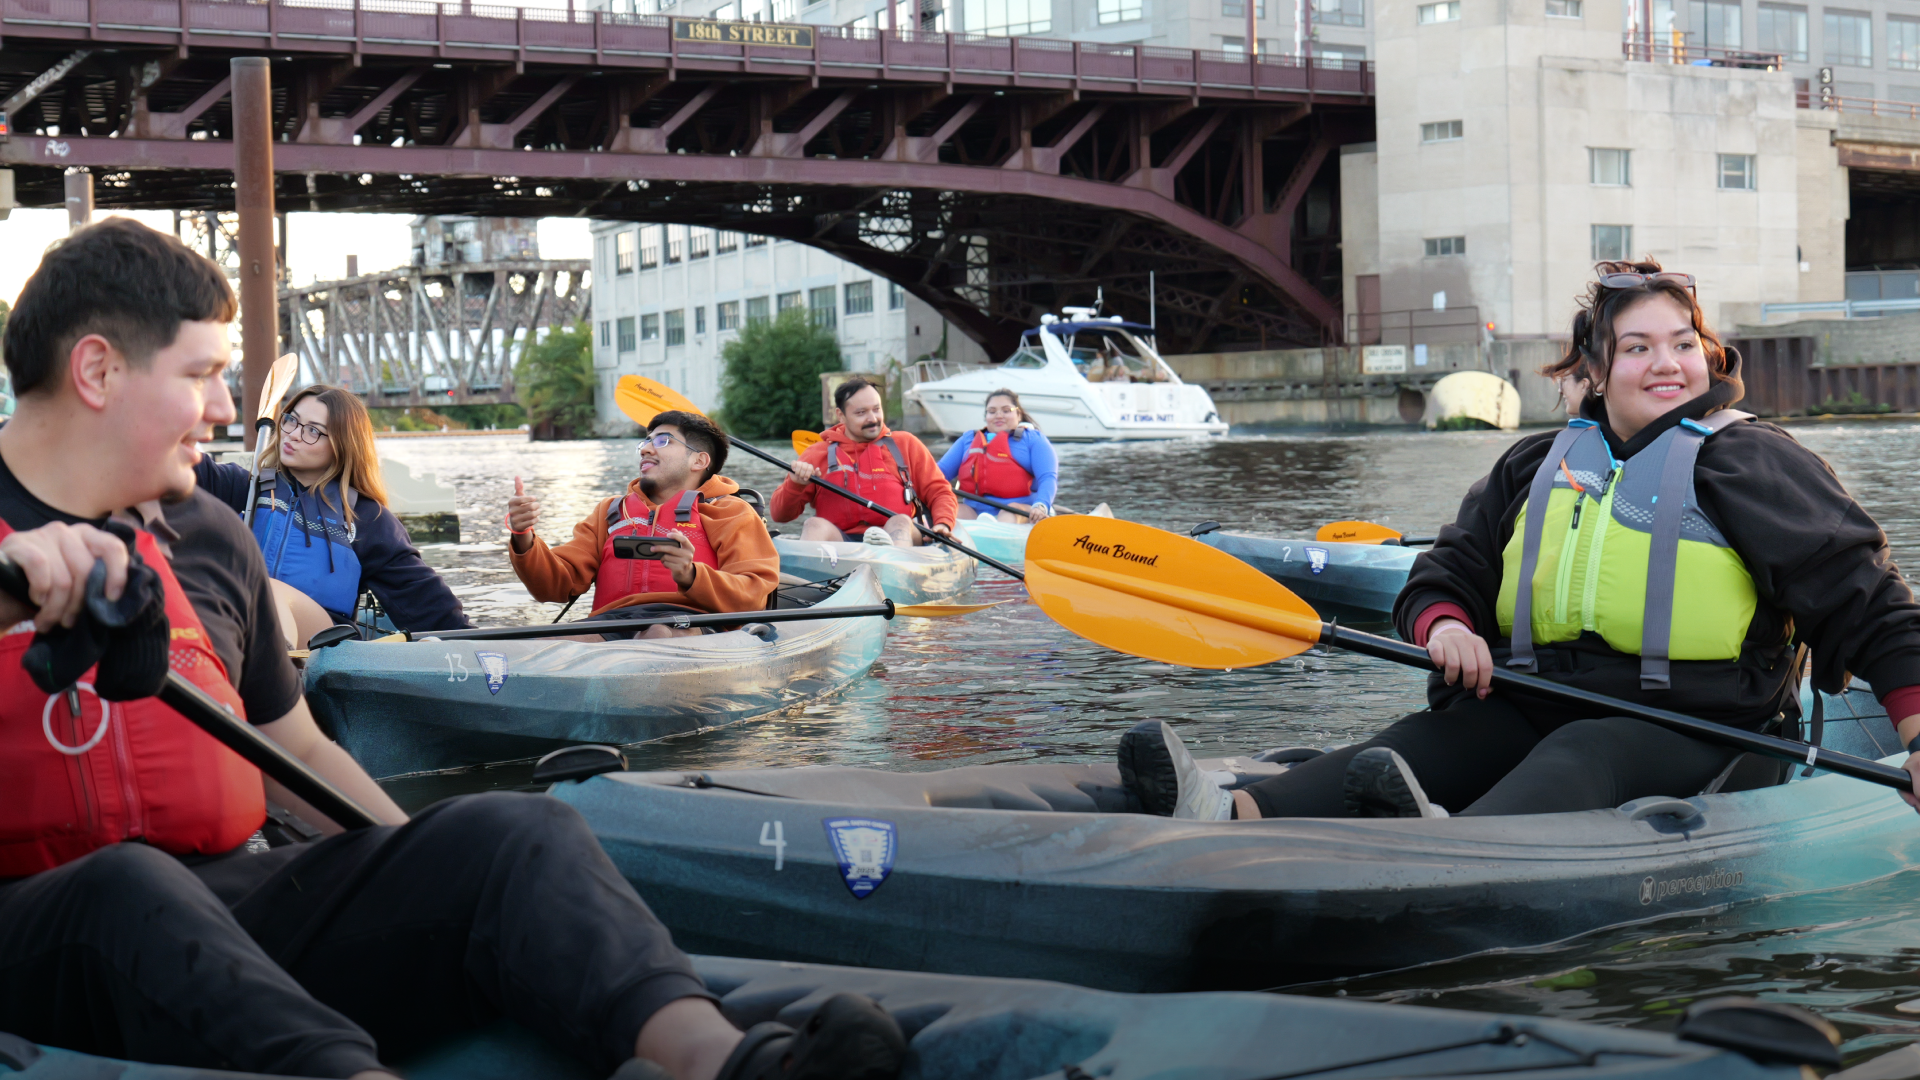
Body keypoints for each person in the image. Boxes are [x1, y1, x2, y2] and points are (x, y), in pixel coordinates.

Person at [0, 218, 906, 1080]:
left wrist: (433, 871)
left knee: (510, 828)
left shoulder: (208, 534)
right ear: (97, 370)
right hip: (39, 938)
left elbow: (297, 748)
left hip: (230, 900)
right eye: (201, 374)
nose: (229, 406)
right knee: (124, 888)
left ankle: (716, 1057)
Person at [1116, 259, 1920, 822]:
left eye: (1683, 344)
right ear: (1598, 371)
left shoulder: (1751, 461)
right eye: (1637, 348)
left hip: (1699, 726)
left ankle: (1443, 851)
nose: (1667, 364)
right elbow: (1442, 576)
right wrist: (1448, 626)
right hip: (1537, 699)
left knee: (1581, 758)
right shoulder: (1539, 461)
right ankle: (1236, 813)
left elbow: (1868, 604)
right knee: (1426, 739)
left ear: (1706, 355)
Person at [195, 384, 470, 643]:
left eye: (313, 431)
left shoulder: (366, 519)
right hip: (242, 619)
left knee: (268, 590)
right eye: (291, 420)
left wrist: (478, 643)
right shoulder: (246, 488)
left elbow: (429, 605)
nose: (292, 433)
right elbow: (177, 466)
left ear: (341, 446)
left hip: (325, 642)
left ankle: (270, 675)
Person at [506, 409, 778, 637]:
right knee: (556, 646)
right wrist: (523, 536)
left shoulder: (731, 511)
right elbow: (553, 587)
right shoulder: (609, 511)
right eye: (646, 442)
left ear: (699, 460)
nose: (646, 449)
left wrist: (691, 575)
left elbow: (753, 596)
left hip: (692, 625)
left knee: (659, 633)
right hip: (613, 622)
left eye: (663, 441)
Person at [771, 377, 958, 548]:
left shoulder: (907, 444)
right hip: (842, 543)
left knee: (900, 521)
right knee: (813, 525)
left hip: (899, 538)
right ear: (841, 416)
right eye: (861, 413)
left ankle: (894, 573)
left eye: (876, 409)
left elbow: (940, 492)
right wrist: (795, 484)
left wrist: (943, 523)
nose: (872, 419)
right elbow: (780, 515)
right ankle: (810, 580)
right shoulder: (816, 453)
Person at [936, 389, 1058, 524]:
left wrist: (1041, 505)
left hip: (1019, 511)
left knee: (1008, 511)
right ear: (986, 416)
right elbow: (939, 473)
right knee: (949, 511)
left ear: (1018, 414)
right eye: (992, 412)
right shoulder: (968, 439)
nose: (998, 415)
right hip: (975, 511)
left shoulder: (1033, 439)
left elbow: (1047, 478)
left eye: (1006, 411)